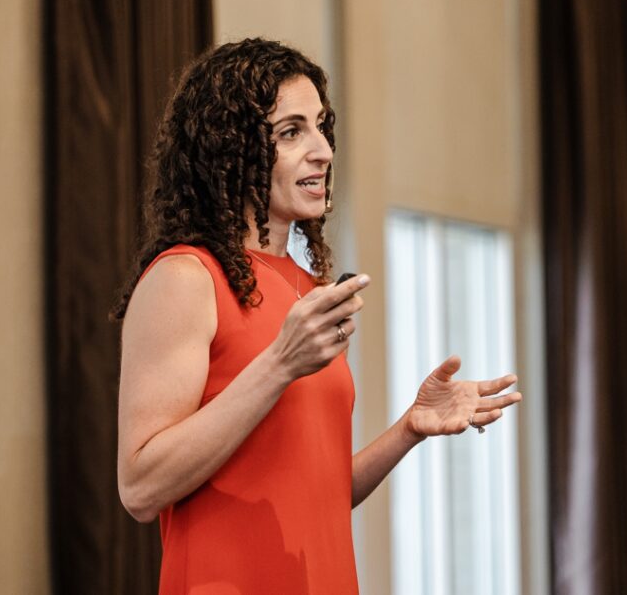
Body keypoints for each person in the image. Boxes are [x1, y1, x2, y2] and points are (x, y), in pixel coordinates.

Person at [113, 38, 522, 594]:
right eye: (291, 132)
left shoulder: (309, 293)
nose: (323, 150)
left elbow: (317, 492)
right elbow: (140, 486)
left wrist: (408, 429)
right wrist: (280, 362)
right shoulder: (186, 278)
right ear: (230, 151)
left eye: (321, 126)